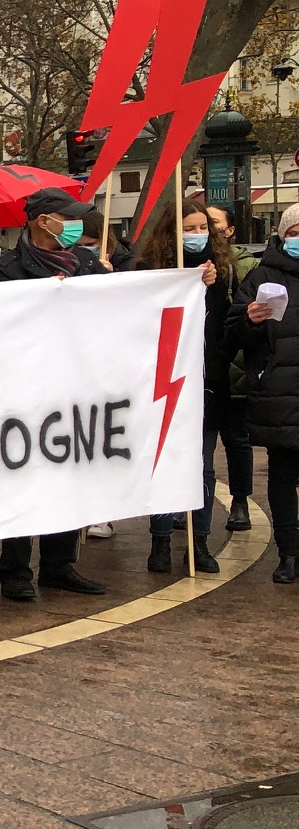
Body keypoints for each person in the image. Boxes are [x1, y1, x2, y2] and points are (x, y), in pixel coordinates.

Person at [0, 189, 110, 600]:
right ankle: (15, 570)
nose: (75, 225)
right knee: (22, 479)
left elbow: (129, 301)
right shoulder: (6, 271)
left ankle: (59, 564)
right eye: (67, 217)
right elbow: (0, 326)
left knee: (67, 476)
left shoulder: (88, 264)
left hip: (75, 388)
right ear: (44, 221)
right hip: (23, 391)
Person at [135, 200, 226, 575]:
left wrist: (212, 287)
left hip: (206, 383)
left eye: (203, 227)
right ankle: (160, 541)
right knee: (162, 462)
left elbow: (219, 326)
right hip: (163, 381)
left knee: (203, 467)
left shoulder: (221, 270)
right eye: (189, 228)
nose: (198, 234)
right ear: (173, 232)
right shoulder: (148, 270)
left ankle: (199, 542)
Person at [229, 202, 299, 583]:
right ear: (282, 236)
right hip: (279, 393)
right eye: (294, 231)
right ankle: (288, 553)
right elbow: (233, 334)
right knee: (283, 476)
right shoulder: (261, 278)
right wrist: (248, 320)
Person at [207, 204, 257, 530]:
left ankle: (240, 501)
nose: (209, 230)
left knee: (237, 440)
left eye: (213, 224)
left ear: (230, 230)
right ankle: (192, 506)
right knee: (201, 442)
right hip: (204, 368)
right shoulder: (191, 264)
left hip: (236, 370)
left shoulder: (249, 266)